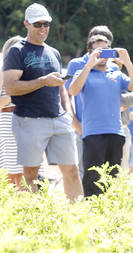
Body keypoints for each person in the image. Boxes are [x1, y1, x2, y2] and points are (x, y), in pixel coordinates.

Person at [2, 3, 83, 201]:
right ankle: (34, 219)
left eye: (47, 23)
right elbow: (11, 87)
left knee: (71, 170)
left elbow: (60, 87)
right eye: (38, 24)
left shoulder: (54, 52)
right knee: (31, 175)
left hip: (58, 118)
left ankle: (80, 221)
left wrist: (67, 112)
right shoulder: (16, 51)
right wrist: (42, 82)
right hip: (29, 119)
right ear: (26, 24)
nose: (43, 28)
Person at [69, 35, 133, 197]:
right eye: (98, 51)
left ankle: (111, 217)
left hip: (116, 133)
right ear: (90, 52)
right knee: (92, 180)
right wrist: (89, 64)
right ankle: (93, 216)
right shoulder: (83, 72)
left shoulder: (115, 72)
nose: (102, 55)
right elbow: (73, 91)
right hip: (92, 134)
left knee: (113, 180)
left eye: (106, 50)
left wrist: (128, 62)